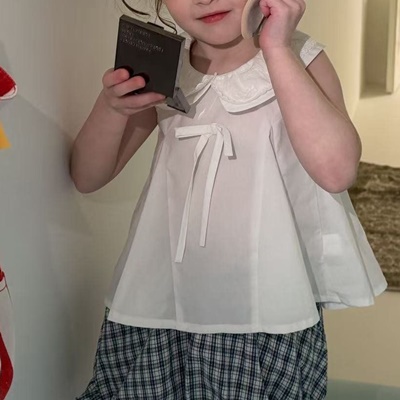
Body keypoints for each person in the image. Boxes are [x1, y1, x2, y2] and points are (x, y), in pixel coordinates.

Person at [71, 0, 387, 398]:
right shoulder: (167, 65)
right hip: (163, 301)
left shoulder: (300, 57)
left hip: (263, 310)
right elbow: (87, 176)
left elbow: (337, 172)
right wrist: (111, 107)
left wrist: (277, 49)